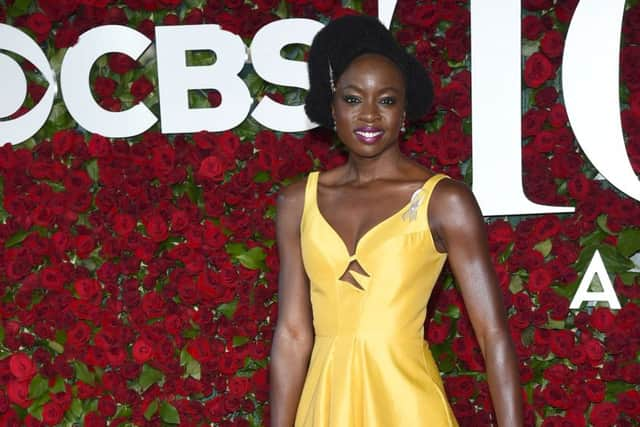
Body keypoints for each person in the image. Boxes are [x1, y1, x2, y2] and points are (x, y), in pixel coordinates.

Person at [270, 15, 523, 427]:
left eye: (386, 100)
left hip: (409, 408)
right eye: (353, 99)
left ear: (405, 109)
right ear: (331, 105)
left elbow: (492, 335)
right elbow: (293, 336)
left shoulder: (445, 201)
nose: (369, 115)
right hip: (324, 409)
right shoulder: (298, 201)